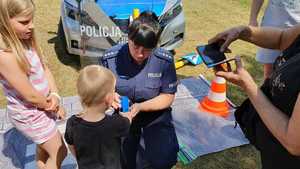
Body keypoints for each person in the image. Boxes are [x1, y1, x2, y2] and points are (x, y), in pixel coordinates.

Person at [209, 24, 300, 169]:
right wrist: (242, 32)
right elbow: (282, 38)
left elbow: (294, 143)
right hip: (272, 148)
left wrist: (248, 85)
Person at [100, 11, 179, 169]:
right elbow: (103, 89)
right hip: (124, 113)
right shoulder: (110, 58)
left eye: (147, 49)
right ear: (128, 38)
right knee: (124, 163)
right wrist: (111, 97)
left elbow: (168, 96)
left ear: (156, 45)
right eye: (135, 46)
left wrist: (141, 107)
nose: (140, 54)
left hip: (155, 115)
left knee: (164, 160)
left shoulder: (164, 60)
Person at [0, 0, 67, 169]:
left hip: (42, 106)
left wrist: (55, 95)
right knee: (60, 151)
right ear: (4, 21)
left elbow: (45, 68)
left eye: (32, 20)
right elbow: (29, 95)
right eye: (24, 22)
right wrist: (54, 107)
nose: (31, 26)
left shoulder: (27, 40)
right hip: (30, 114)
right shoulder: (6, 56)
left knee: (44, 148)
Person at [64, 65, 134, 169]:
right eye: (113, 91)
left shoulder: (72, 123)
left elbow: (71, 145)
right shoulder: (117, 123)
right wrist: (126, 110)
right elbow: (127, 120)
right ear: (108, 98)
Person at [249, 0, 300, 79]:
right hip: (272, 25)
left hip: (296, 32)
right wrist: (252, 19)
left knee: (292, 76)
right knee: (269, 74)